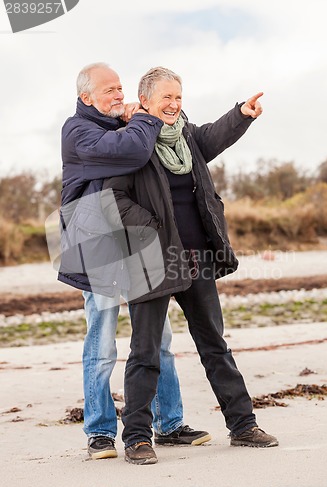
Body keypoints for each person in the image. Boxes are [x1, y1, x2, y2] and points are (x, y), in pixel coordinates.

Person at [103, 67, 279, 465]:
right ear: (144, 100)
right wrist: (154, 227)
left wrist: (243, 114)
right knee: (145, 351)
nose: (174, 104)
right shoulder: (129, 143)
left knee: (215, 345)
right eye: (166, 97)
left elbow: (215, 133)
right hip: (151, 261)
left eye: (179, 97)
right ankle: (136, 438)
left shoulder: (187, 137)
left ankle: (243, 424)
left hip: (197, 258)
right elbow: (114, 200)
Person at [58, 63, 210, 460]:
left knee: (158, 337)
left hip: (135, 241)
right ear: (86, 97)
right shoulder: (79, 131)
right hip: (97, 246)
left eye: (119, 87)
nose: (116, 94)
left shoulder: (118, 126)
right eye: (108, 90)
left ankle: (170, 423)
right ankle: (100, 432)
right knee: (102, 339)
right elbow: (135, 149)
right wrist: (142, 115)